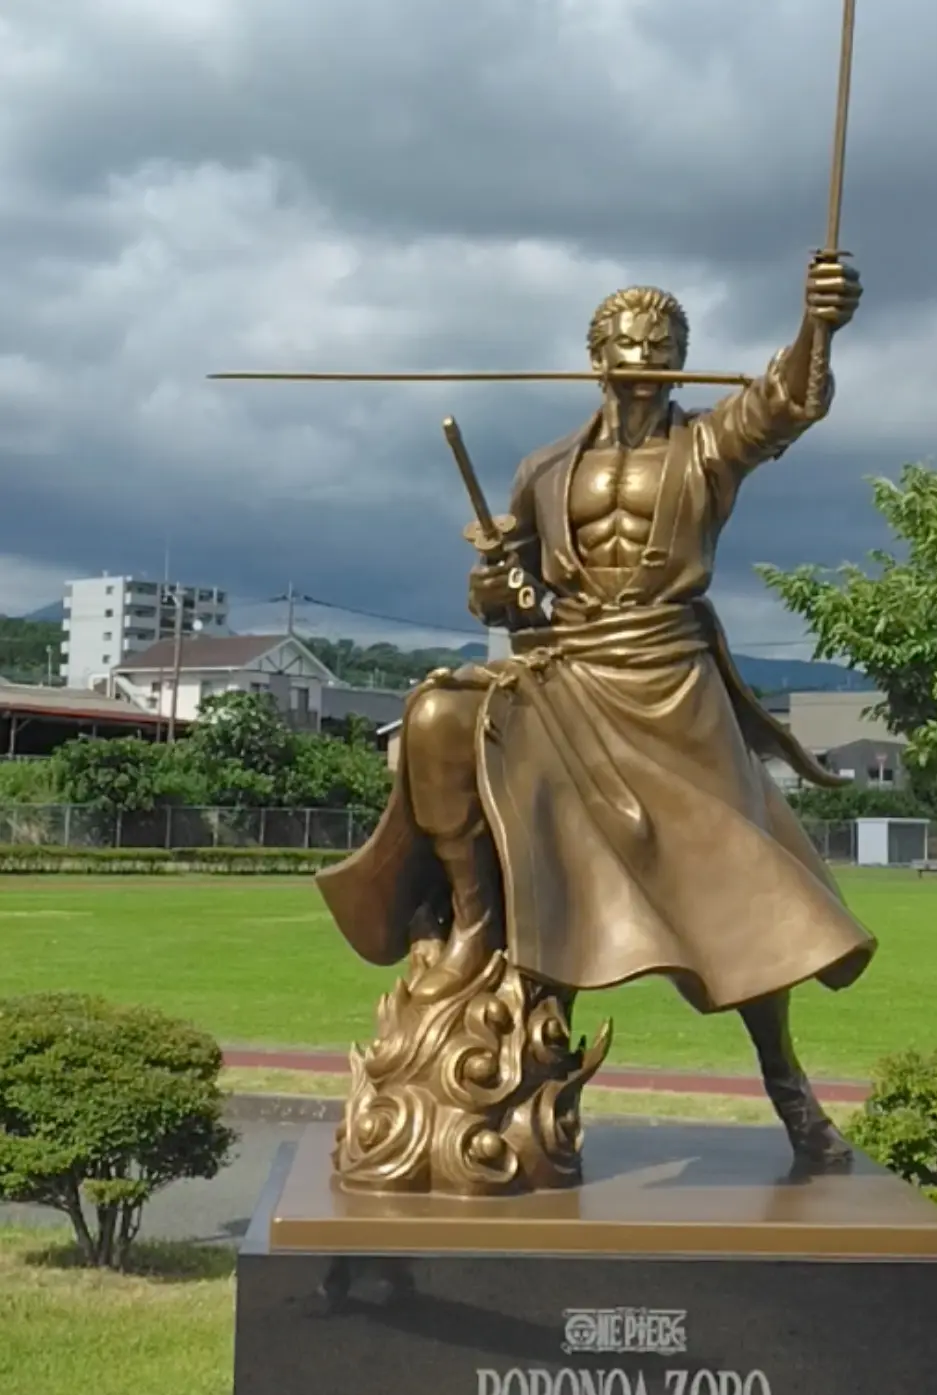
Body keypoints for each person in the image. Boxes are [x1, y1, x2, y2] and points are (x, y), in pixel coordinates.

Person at [317, 255, 877, 1166]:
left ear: (683, 360)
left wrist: (818, 327)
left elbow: (787, 405)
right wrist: (495, 583)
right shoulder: (544, 470)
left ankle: (788, 1087)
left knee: (737, 895)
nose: (646, 353)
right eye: (628, 340)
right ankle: (474, 925)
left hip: (669, 684)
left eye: (665, 343)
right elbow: (503, 601)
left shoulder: (707, 446)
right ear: (596, 357)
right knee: (437, 718)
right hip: (570, 676)